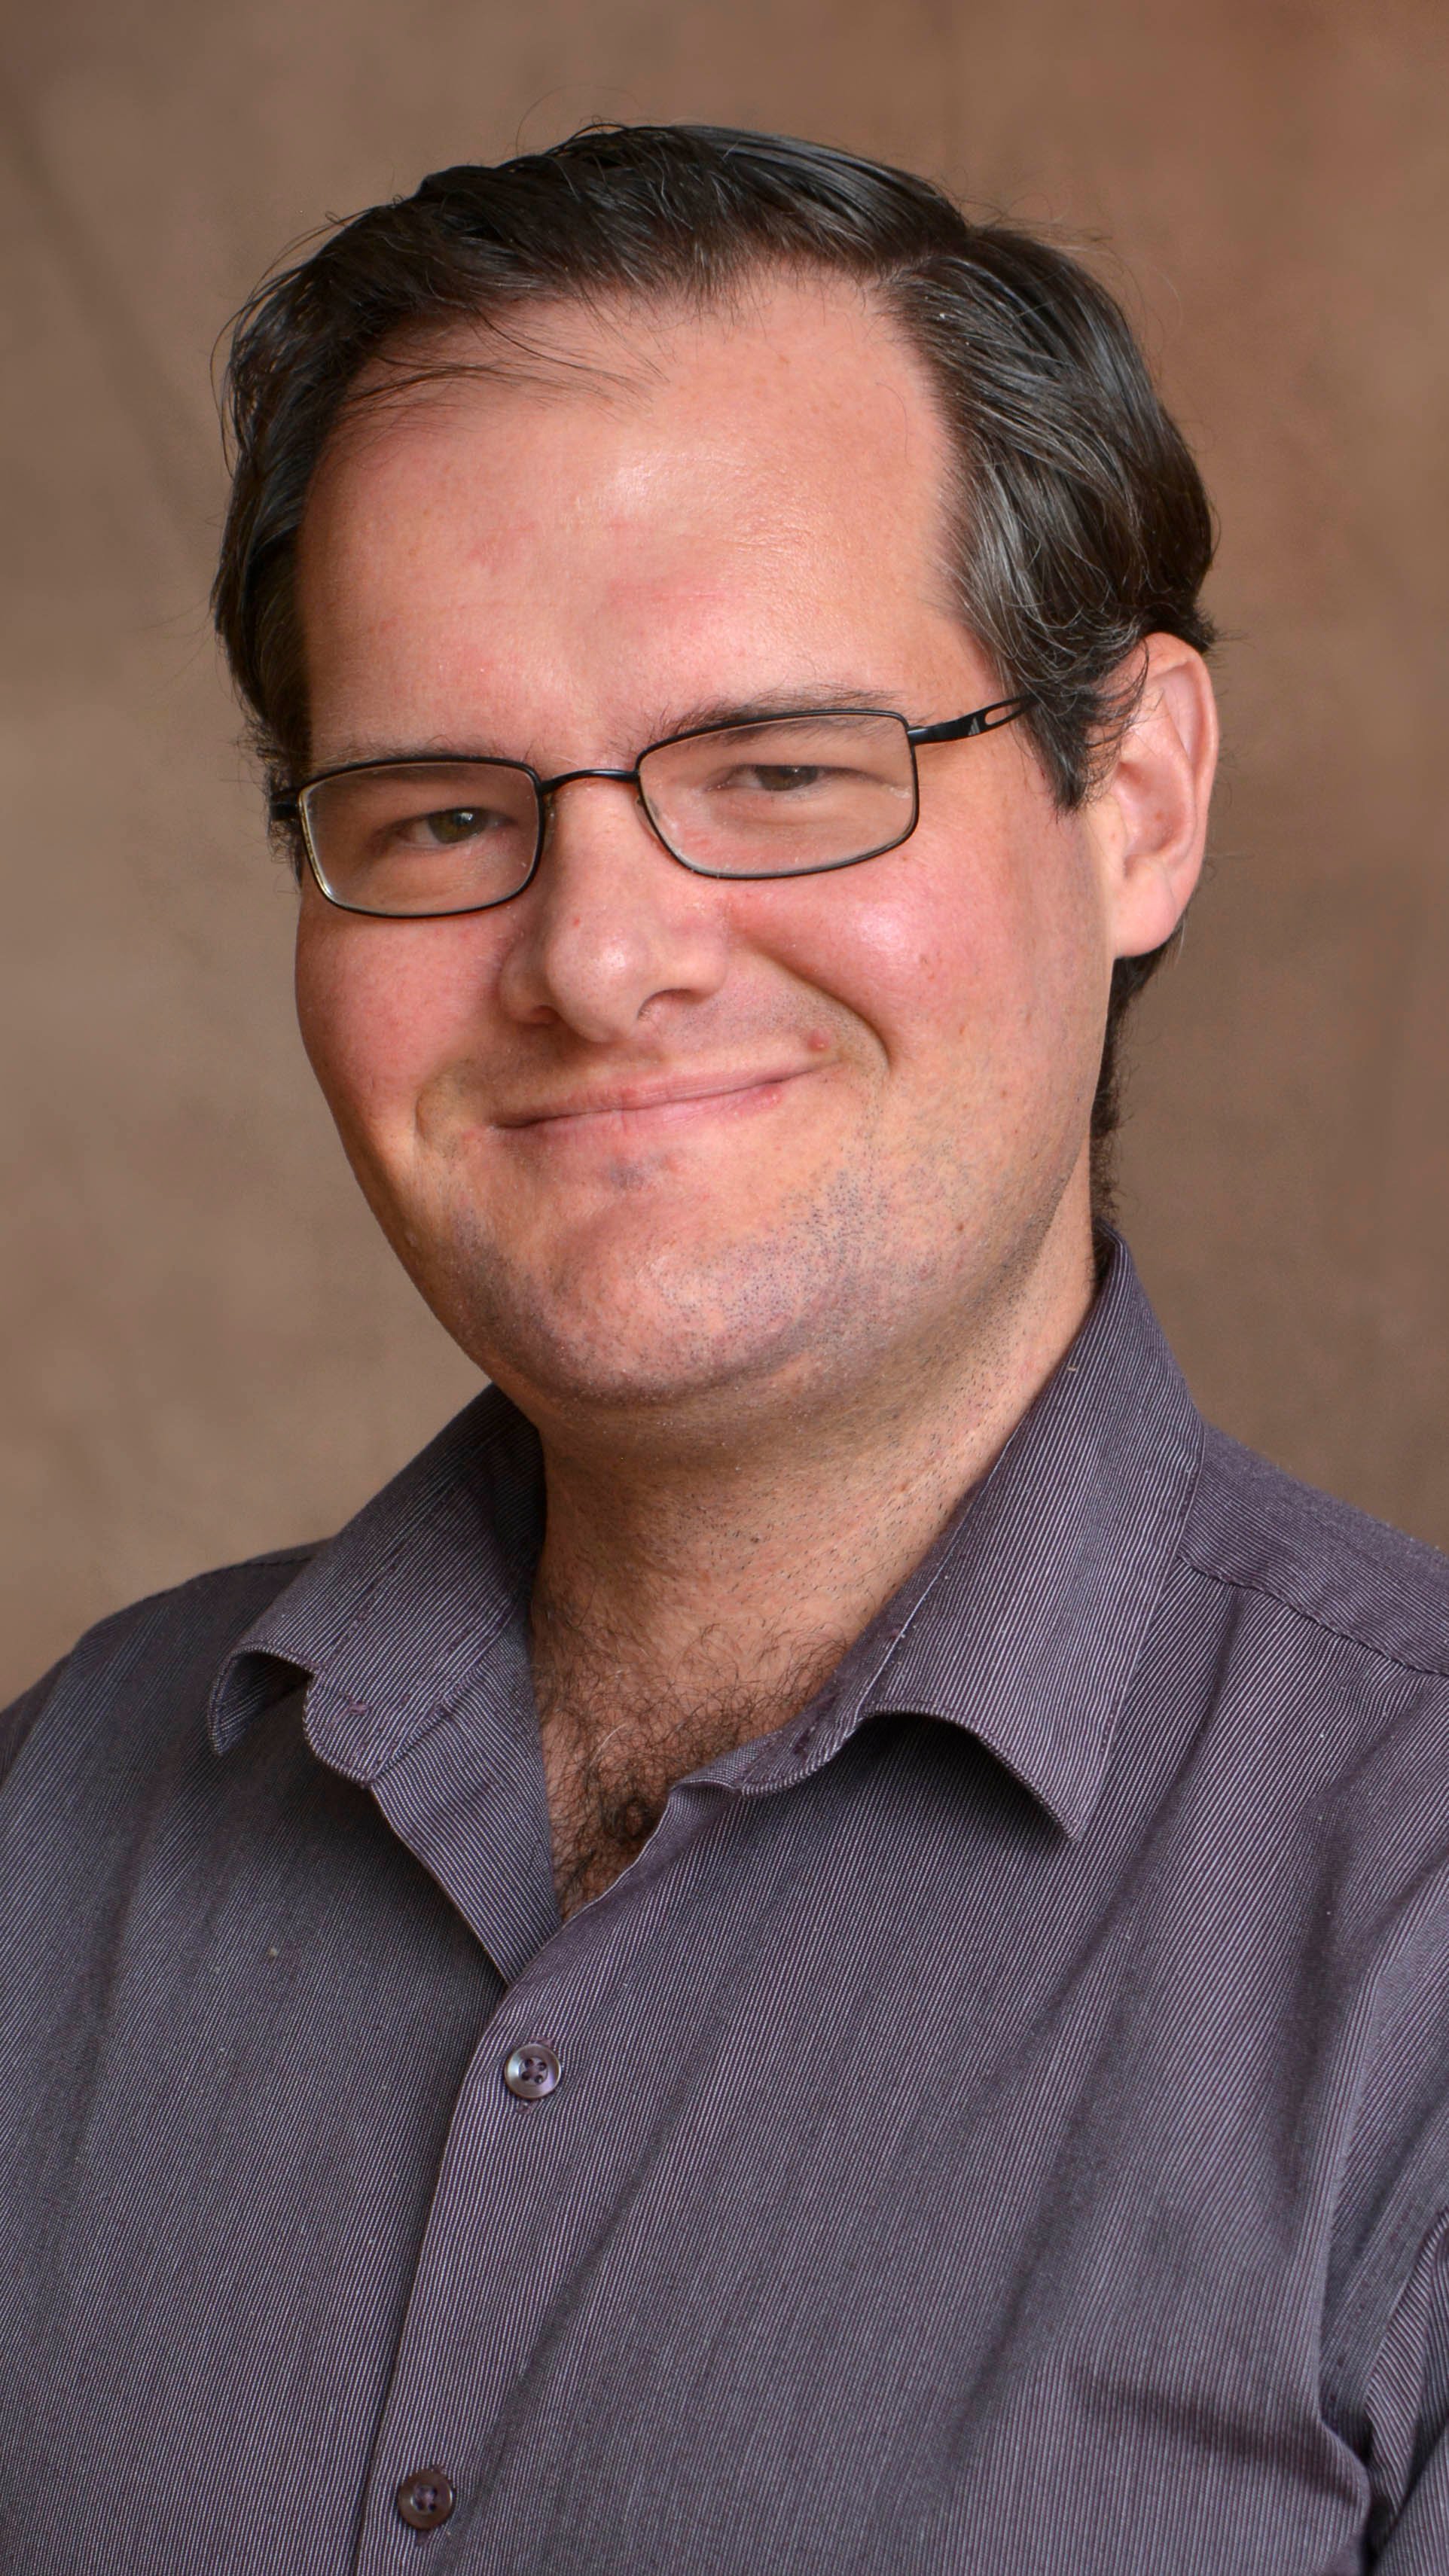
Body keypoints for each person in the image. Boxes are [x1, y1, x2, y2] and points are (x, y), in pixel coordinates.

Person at [3, 123, 1446, 2576]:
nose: (595, 956)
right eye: (443, 813)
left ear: (1141, 801)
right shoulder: (53, 1834)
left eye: (778, 772)